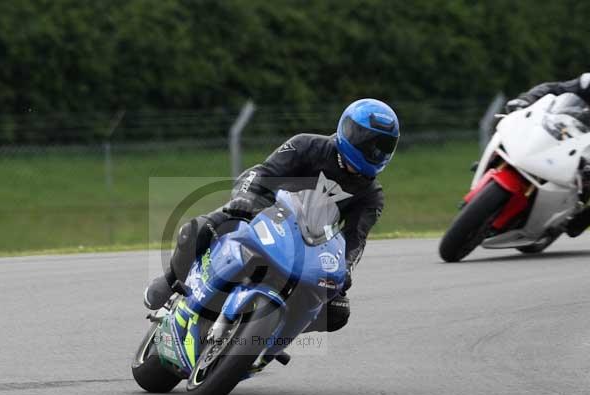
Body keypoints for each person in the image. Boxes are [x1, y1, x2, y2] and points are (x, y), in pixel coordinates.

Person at [143, 98, 400, 332]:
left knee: (337, 313)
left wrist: (345, 268)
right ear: (345, 129)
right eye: (363, 139)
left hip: (311, 247)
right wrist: (246, 197)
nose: (370, 150)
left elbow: (355, 239)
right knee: (196, 230)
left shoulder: (371, 196)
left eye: (380, 146)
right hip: (264, 213)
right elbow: (264, 172)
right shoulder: (307, 145)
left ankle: (269, 339)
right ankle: (170, 283)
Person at [505, 48, 590, 237]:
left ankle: (576, 219)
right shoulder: (588, 83)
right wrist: (526, 100)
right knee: (516, 130)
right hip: (574, 139)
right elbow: (554, 88)